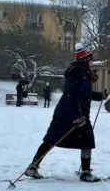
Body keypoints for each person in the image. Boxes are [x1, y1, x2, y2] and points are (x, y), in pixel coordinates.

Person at [23, 43, 105, 182]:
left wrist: (97, 96)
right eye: (90, 58)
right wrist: (78, 117)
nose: (92, 61)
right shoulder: (78, 74)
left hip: (71, 113)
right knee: (59, 138)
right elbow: (71, 96)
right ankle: (85, 173)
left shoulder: (82, 73)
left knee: (69, 139)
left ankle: (33, 167)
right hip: (69, 114)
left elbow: (82, 93)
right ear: (85, 60)